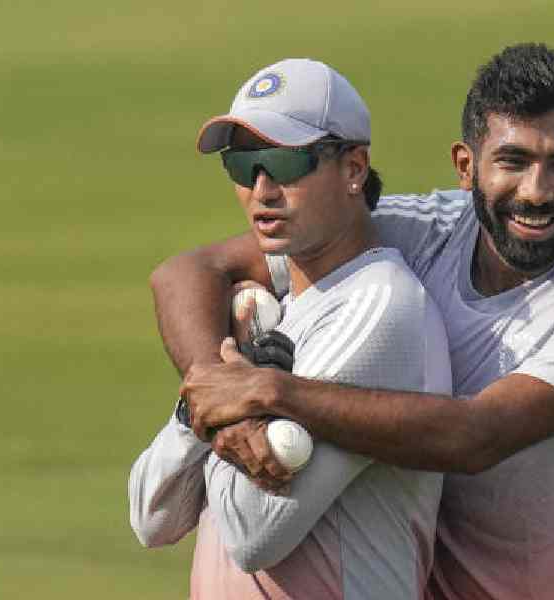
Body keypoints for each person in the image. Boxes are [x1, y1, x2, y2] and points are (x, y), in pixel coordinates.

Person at [165, 44, 554, 600]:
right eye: (512, 162)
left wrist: (269, 390)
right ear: (466, 166)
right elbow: (194, 270)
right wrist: (217, 392)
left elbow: (475, 438)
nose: (536, 192)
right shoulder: (424, 229)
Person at [129, 58, 453, 600]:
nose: (261, 190)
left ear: (353, 168)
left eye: (283, 162)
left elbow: (252, 534)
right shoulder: (278, 318)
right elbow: (150, 518)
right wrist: (201, 405)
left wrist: (244, 395)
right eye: (243, 165)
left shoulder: (381, 308)